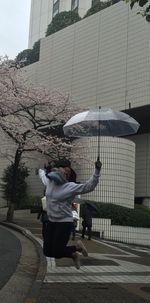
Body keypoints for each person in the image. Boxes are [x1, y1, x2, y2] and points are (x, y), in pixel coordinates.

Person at [37, 159, 102, 269]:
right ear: (58, 171)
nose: (65, 173)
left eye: (68, 173)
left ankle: (76, 250)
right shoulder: (50, 182)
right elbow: (43, 175)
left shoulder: (70, 187)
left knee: (57, 252)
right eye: (63, 171)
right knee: (47, 252)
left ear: (68, 176)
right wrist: (40, 170)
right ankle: (75, 251)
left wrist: (97, 170)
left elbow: (89, 186)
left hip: (64, 222)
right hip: (51, 221)